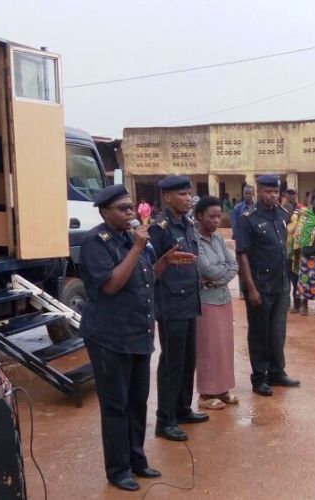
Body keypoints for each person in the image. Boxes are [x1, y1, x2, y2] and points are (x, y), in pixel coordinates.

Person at [79, 185, 161, 491]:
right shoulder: (94, 242)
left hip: (137, 333)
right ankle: (118, 470)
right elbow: (111, 285)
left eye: (131, 207)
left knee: (138, 402)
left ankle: (137, 460)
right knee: (116, 405)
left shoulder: (129, 238)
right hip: (109, 337)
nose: (130, 213)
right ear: (105, 212)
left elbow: (142, 278)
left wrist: (160, 263)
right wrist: (138, 248)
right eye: (122, 208)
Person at [149, 175, 209, 442]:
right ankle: (166, 420)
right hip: (171, 305)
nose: (188, 198)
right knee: (171, 363)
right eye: (182, 194)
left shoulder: (186, 224)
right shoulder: (159, 228)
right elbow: (151, 270)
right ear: (167, 197)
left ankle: (183, 409)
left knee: (187, 360)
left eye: (189, 194)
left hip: (188, 302)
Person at [236, 175, 300, 396]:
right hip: (259, 286)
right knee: (259, 333)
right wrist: (250, 288)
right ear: (258, 191)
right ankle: (259, 377)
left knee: (277, 332)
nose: (272, 195)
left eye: (275, 191)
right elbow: (242, 254)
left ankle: (277, 372)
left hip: (281, 284)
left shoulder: (282, 215)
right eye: (267, 191)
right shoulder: (248, 218)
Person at [194, 196, 239, 410]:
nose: (216, 220)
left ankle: (222, 389)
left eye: (219, 216)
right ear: (199, 216)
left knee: (224, 346)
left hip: (222, 297)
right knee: (208, 347)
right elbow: (206, 270)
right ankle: (205, 394)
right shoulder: (194, 239)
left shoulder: (218, 238)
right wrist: (219, 273)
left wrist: (216, 279)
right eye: (211, 216)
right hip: (205, 301)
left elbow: (233, 264)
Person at [291, 193, 315, 315]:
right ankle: (304, 306)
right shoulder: (304, 217)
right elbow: (298, 235)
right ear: (311, 204)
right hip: (305, 255)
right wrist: (296, 255)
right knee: (304, 281)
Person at [232, 185, 255, 299]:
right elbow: (235, 226)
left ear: (253, 194)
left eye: (249, 193)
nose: (247, 195)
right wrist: (238, 240)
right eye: (245, 193)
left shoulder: (256, 208)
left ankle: (252, 288)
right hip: (242, 242)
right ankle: (242, 291)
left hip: (254, 242)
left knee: (253, 266)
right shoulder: (237, 208)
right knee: (241, 266)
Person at [283, 187, 304, 312]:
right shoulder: (281, 208)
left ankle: (297, 304)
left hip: (297, 249)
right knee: (285, 278)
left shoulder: (301, 209)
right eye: (288, 194)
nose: (290, 196)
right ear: (285, 195)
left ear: (296, 195)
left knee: (296, 278)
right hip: (284, 248)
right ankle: (285, 304)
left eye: (293, 194)